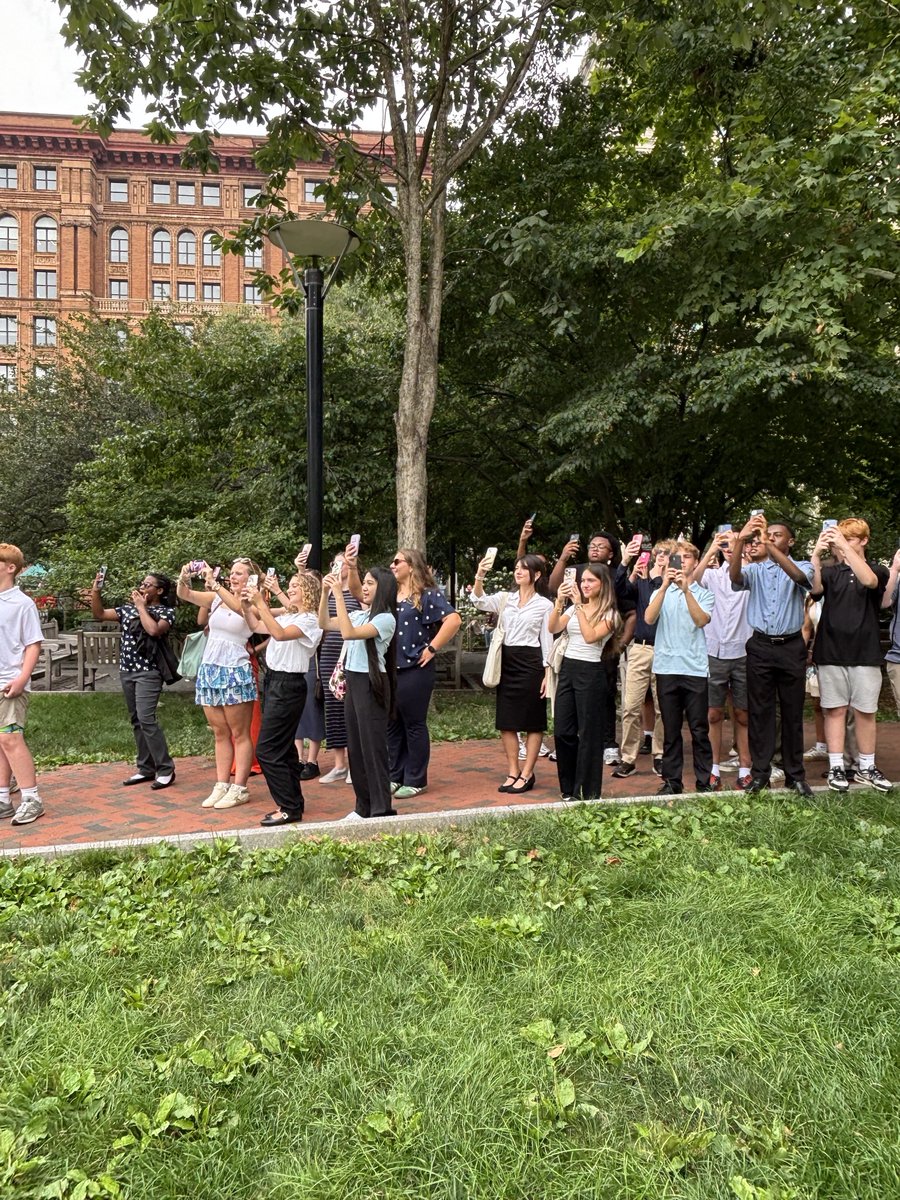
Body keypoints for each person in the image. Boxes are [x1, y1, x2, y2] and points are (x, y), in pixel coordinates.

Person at [729, 514, 814, 795]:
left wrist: (769, 544)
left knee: (792, 712)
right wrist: (741, 541)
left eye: (777, 535)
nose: (770, 538)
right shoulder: (755, 570)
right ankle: (760, 773)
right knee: (761, 712)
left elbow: (801, 579)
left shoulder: (802, 565)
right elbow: (735, 577)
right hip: (761, 646)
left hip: (791, 646)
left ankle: (795, 775)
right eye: (769, 535)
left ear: (790, 541)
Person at [811, 519, 891, 792]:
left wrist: (844, 546)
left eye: (851, 539)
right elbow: (815, 589)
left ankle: (866, 767)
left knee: (866, 711)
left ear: (864, 540)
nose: (843, 545)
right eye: (840, 540)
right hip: (830, 651)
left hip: (865, 652)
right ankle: (836, 767)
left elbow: (869, 581)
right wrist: (816, 556)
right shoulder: (831, 572)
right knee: (834, 710)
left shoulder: (877, 569)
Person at [177, 558, 264, 809]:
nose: (234, 576)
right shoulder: (215, 598)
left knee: (240, 732)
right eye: (232, 573)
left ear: (250, 579)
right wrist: (185, 575)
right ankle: (221, 784)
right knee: (219, 731)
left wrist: (215, 585)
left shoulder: (251, 602)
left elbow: (239, 608)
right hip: (210, 669)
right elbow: (184, 594)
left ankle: (240, 787)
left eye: (239, 573)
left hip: (235, 670)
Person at [319, 563, 398, 820]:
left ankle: (381, 808)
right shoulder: (360, 614)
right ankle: (362, 808)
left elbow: (348, 633)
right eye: (363, 582)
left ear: (383, 588)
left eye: (370, 583)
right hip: (354, 681)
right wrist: (325, 594)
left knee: (372, 747)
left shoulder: (385, 618)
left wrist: (340, 595)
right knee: (356, 746)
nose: (364, 587)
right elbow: (324, 623)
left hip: (372, 684)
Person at [244, 572, 323, 825]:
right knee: (284, 748)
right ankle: (293, 803)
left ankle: (288, 807)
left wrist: (260, 603)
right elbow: (257, 626)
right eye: (289, 585)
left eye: (296, 586)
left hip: (289, 684)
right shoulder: (290, 615)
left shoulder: (310, 620)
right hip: (274, 681)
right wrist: (248, 606)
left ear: (309, 591)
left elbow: (278, 634)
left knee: (267, 750)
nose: (290, 589)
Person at [471, 553, 553, 794]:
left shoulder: (545, 605)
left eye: (524, 569)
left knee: (532, 721)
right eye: (516, 568)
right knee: (507, 722)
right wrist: (480, 574)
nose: (518, 572)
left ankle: (528, 773)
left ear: (536, 575)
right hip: (507, 661)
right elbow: (478, 600)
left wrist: (547, 674)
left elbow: (546, 642)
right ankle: (513, 771)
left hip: (531, 663)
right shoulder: (506, 599)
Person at [91, 569, 177, 790]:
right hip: (127, 670)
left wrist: (141, 606)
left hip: (149, 672)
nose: (142, 587)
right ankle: (146, 768)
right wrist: (96, 590)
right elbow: (99, 614)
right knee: (137, 720)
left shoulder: (165, 611)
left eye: (148, 585)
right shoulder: (126, 609)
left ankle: (166, 769)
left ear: (159, 590)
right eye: (142, 583)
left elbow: (154, 631)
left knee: (147, 718)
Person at [388, 548, 461, 798]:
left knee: (414, 724)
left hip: (415, 669)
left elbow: (453, 619)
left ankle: (416, 778)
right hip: (391, 668)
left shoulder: (427, 595)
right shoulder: (391, 595)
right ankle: (394, 775)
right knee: (392, 723)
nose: (392, 565)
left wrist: (432, 648)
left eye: (397, 561)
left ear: (411, 565)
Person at [644, 541, 715, 795]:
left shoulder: (704, 593)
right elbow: (649, 618)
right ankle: (672, 782)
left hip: (694, 669)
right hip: (666, 668)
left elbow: (700, 620)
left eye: (686, 557)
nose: (682, 562)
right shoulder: (659, 592)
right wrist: (664, 585)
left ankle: (704, 781)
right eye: (677, 558)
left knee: (699, 728)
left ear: (695, 562)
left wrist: (686, 591)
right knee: (671, 729)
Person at [549, 564, 622, 801]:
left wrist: (579, 605)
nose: (585, 585)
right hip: (568, 668)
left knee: (589, 734)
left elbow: (591, 637)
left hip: (591, 672)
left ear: (603, 585)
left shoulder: (610, 614)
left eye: (591, 581)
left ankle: (587, 791)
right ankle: (568, 788)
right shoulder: (573, 608)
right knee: (562, 731)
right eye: (583, 581)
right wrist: (560, 602)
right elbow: (553, 627)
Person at [693, 530, 753, 791]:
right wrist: (711, 549)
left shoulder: (753, 574)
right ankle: (713, 767)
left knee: (743, 714)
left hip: (745, 652)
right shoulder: (712, 575)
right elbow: (691, 581)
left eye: (737, 543)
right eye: (726, 544)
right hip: (713, 650)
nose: (731, 548)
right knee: (713, 713)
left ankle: (745, 767)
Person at [613, 539, 673, 780]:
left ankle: (659, 755)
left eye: (668, 553)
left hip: (666, 650)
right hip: (640, 649)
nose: (661, 555)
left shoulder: (675, 583)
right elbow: (619, 592)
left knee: (663, 708)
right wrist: (627, 564)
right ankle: (628, 758)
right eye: (658, 552)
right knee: (630, 707)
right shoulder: (642, 581)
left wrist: (663, 578)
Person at [0, 543, 45, 825]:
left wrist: (22, 678)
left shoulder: (22, 604)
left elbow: (33, 645)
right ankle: (3, 798)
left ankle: (31, 798)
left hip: (9, 683)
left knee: (10, 738)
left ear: (10, 567)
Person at [318, 543, 364, 784]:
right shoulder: (328, 590)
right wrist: (326, 591)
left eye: (343, 562)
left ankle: (356, 761)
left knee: (352, 707)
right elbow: (321, 621)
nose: (338, 567)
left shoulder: (356, 592)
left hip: (350, 653)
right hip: (329, 653)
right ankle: (339, 764)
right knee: (333, 707)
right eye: (335, 563)